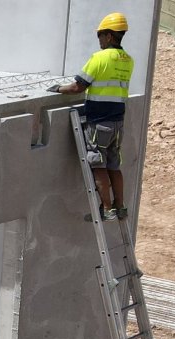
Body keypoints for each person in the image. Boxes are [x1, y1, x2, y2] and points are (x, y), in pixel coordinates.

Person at [48, 12, 135, 221]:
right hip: (117, 122)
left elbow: (78, 86)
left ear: (109, 36)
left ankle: (106, 209)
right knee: (114, 165)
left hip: (99, 123)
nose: (99, 41)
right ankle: (120, 206)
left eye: (100, 36)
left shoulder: (100, 58)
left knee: (98, 164)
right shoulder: (128, 60)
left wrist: (58, 89)